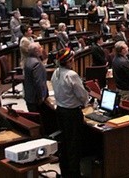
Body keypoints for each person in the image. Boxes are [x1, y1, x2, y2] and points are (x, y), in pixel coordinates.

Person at [51, 47, 88, 178]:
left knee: (64, 145)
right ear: (68, 61)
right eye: (72, 59)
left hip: (60, 111)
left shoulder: (56, 72)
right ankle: (74, 175)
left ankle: (65, 173)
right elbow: (82, 95)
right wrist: (85, 104)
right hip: (72, 114)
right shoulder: (71, 75)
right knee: (74, 146)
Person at [23, 42, 47, 112]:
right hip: (35, 99)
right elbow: (38, 83)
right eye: (40, 47)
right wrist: (41, 97)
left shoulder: (27, 60)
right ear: (36, 51)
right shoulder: (37, 64)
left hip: (29, 96)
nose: (42, 49)